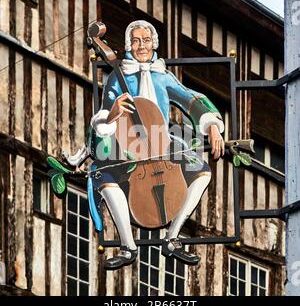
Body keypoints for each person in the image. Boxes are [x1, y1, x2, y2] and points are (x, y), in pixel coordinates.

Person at [65, 20, 224, 270]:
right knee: (102, 174)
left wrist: (212, 125)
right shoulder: (118, 79)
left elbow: (190, 98)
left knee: (202, 172)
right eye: (136, 41)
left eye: (146, 40)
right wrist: (114, 112)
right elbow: (104, 113)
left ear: (154, 44)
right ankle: (128, 247)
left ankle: (172, 237)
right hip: (127, 143)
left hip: (163, 141)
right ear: (129, 45)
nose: (142, 46)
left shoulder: (163, 76)